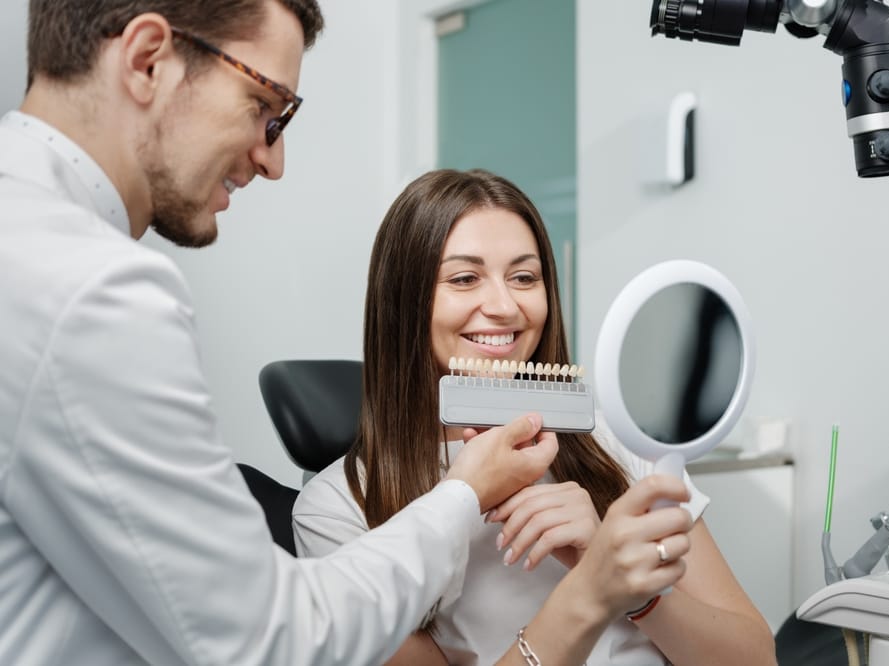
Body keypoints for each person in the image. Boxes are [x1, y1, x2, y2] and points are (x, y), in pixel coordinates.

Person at [0, 3, 566, 664]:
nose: (273, 160)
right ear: (148, 57)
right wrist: (464, 497)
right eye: (265, 106)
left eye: (523, 277)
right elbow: (265, 638)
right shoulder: (92, 291)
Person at [293, 169, 777, 665]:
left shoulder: (617, 437)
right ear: (404, 303)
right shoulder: (335, 512)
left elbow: (756, 658)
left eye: (525, 277)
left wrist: (638, 593)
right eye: (464, 278)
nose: (505, 306)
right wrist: (591, 587)